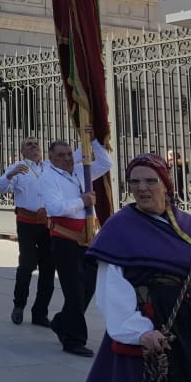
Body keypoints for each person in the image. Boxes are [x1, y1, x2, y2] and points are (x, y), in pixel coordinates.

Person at [82, 153, 191, 382]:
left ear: (165, 185)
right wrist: (140, 331)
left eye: (150, 181)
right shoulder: (120, 227)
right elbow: (111, 287)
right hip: (155, 322)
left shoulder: (187, 224)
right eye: (134, 182)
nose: (141, 188)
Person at [40, 134, 113, 358]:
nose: (67, 158)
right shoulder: (48, 177)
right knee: (74, 291)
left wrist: (92, 140)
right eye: (60, 155)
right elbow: (54, 208)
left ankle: (62, 321)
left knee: (88, 286)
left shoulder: (81, 171)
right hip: (64, 239)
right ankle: (74, 340)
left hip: (87, 237)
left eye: (69, 154)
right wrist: (82, 201)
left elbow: (106, 163)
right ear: (51, 157)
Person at [0, 138, 54, 326]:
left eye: (36, 143)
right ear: (22, 151)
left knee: (48, 268)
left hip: (47, 223)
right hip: (27, 222)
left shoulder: (49, 166)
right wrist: (10, 175)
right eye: (29, 144)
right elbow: (0, 187)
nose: (34, 146)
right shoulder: (17, 168)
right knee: (27, 265)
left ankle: (40, 312)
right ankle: (19, 305)